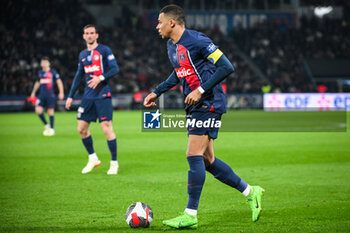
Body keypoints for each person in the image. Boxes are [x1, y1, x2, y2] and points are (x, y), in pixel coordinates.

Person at [144, 5, 264, 229]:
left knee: (193, 154)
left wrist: (200, 90)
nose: (157, 26)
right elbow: (178, 73)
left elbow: (226, 66)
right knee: (208, 160)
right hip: (195, 105)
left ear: (172, 23)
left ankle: (190, 214)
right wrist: (156, 91)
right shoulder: (172, 47)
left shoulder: (198, 40)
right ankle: (251, 191)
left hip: (208, 103)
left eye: (159, 22)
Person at [65, 24, 119, 175]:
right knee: (81, 129)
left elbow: (115, 68)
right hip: (88, 97)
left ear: (97, 35)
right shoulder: (82, 54)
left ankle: (114, 163)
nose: (90, 35)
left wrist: (100, 78)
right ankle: (93, 158)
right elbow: (78, 76)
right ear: (84, 36)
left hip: (102, 95)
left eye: (92, 33)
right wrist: (70, 96)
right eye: (87, 33)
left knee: (106, 127)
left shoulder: (104, 50)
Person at [30, 57, 64, 136]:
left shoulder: (53, 72)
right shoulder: (40, 73)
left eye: (45, 62)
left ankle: (52, 129)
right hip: (41, 95)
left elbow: (59, 82)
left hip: (50, 95)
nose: (43, 63)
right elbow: (37, 83)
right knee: (38, 110)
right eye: (42, 62)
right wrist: (33, 92)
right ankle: (46, 125)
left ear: (48, 63)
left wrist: (61, 92)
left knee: (50, 111)